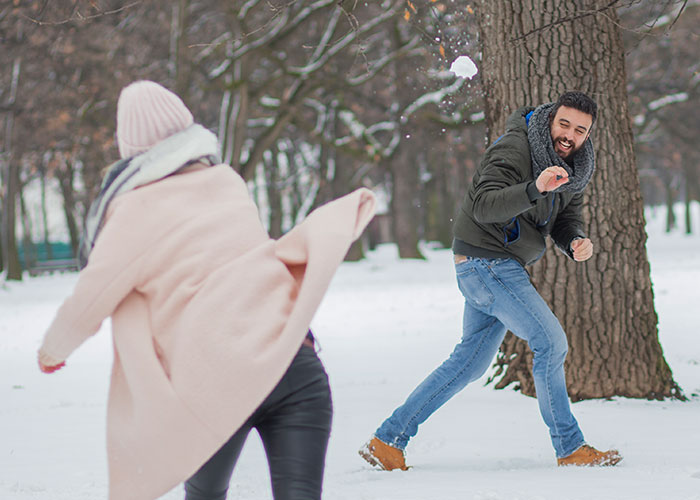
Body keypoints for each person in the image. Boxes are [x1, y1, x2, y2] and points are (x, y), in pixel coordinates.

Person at [37, 80, 376, 500]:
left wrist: (53, 350)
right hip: (295, 366)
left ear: (131, 149)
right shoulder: (227, 181)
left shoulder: (133, 210)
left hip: (219, 382)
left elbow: (92, 295)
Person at [359, 91, 622, 470]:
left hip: (492, 265)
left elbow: (567, 217)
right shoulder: (516, 147)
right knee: (550, 342)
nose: (569, 135)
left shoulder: (577, 167)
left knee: (469, 363)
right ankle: (570, 447)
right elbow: (484, 205)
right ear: (551, 119)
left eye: (580, 130)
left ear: (588, 134)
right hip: (487, 261)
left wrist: (575, 241)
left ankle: (387, 441)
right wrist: (536, 188)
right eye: (564, 124)